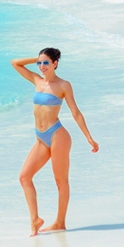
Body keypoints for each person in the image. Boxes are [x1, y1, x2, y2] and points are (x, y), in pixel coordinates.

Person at [12, 48, 99, 237]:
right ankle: (35, 220)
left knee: (61, 182)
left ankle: (60, 222)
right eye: (40, 63)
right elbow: (15, 63)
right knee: (24, 177)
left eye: (46, 63)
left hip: (58, 136)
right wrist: (37, 57)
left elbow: (75, 111)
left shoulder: (63, 85)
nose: (42, 66)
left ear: (55, 64)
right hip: (40, 139)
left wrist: (89, 137)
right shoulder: (36, 80)